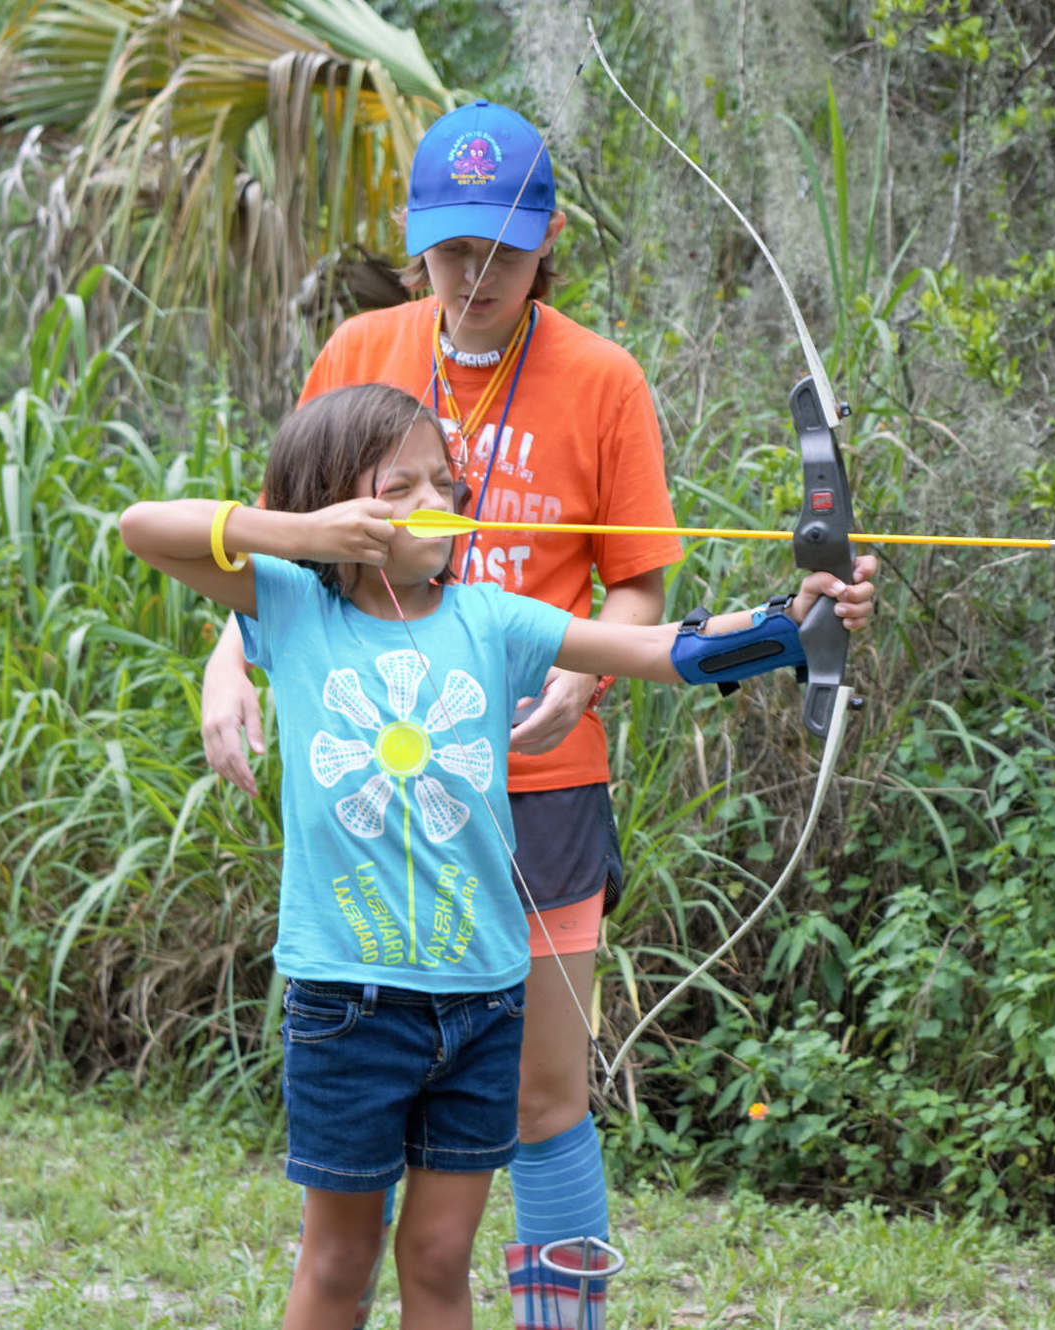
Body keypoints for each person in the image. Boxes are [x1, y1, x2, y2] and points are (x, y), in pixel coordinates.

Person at [121, 383, 877, 1330]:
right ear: (330, 501)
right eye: (399, 485)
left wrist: (791, 627)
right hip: (348, 1002)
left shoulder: (492, 618)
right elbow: (144, 526)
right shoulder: (287, 605)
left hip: (481, 1000)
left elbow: (657, 650)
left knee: (439, 1260)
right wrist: (300, 535)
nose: (436, 499)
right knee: (339, 1262)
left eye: (446, 480)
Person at [196, 99, 731, 1326]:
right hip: (383, 799)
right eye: (451, 248)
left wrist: (581, 678)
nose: (477, 275)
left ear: (547, 241)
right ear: (415, 242)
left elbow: (640, 579)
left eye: (504, 247)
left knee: (541, 1093)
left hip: (537, 780)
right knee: (363, 1186)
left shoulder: (602, 376)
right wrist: (229, 658)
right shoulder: (358, 350)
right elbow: (288, 547)